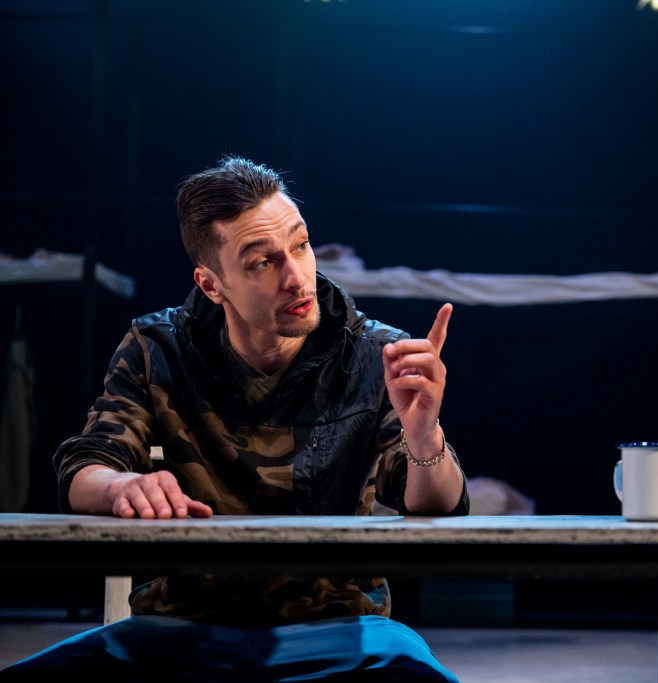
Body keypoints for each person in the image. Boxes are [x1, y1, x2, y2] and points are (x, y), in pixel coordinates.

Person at [0, 156, 468, 682]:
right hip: (180, 628)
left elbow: (437, 506)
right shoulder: (158, 348)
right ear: (211, 285)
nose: (297, 278)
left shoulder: (374, 353)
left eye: (301, 245)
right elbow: (86, 464)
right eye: (262, 263)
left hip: (339, 628)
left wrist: (425, 435)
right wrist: (121, 487)